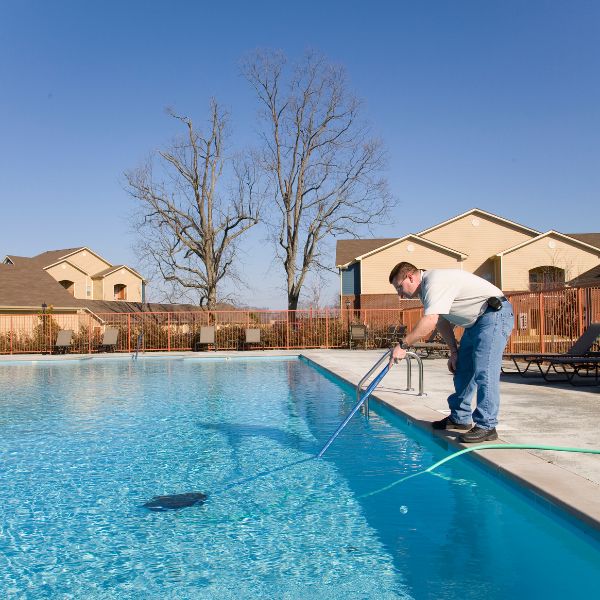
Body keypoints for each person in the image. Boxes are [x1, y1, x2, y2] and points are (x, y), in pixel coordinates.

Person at [388, 262, 514, 443]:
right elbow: (441, 322)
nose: (400, 294)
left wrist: (404, 344)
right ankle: (460, 418)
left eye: (400, 287)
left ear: (410, 276)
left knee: (484, 370)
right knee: (462, 369)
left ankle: (487, 425)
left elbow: (430, 321)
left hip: (494, 315)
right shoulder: (425, 292)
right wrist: (454, 351)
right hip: (475, 322)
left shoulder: (434, 282)